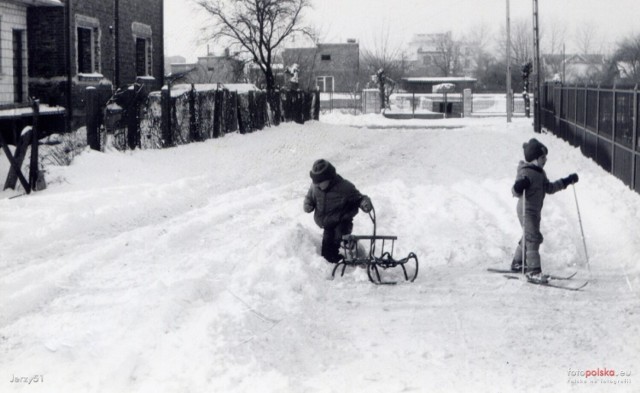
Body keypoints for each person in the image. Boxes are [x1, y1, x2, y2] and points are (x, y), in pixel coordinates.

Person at [510, 138, 579, 278]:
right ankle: (533, 270)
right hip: (525, 210)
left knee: (528, 236)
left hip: (535, 211)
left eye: (545, 157)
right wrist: (519, 185)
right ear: (534, 158)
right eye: (542, 157)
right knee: (533, 238)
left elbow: (550, 188)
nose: (545, 159)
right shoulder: (525, 172)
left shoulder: (541, 173)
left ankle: (517, 262)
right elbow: (515, 191)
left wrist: (566, 181)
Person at [303, 159, 373, 263]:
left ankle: (351, 251)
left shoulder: (344, 187)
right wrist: (308, 205)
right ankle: (335, 260)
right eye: (315, 182)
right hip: (328, 223)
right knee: (327, 250)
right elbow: (310, 198)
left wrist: (364, 203)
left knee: (338, 238)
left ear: (329, 178)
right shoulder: (315, 187)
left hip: (342, 221)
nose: (317, 185)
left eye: (320, 182)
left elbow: (359, 198)